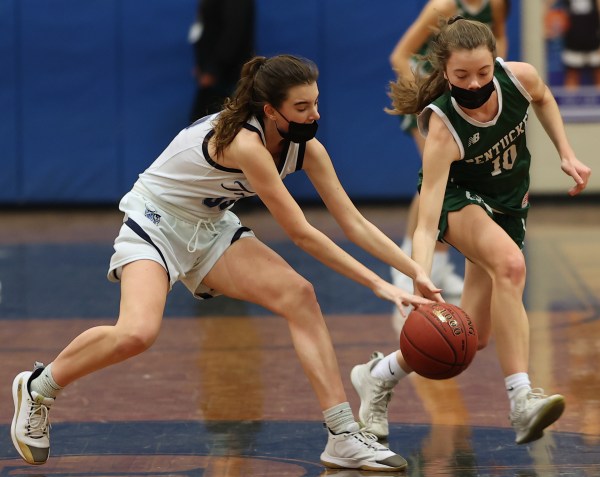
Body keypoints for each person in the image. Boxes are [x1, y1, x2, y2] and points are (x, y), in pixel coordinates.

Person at [10, 54, 443, 471]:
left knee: (299, 295)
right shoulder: (245, 144)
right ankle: (38, 387)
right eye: (301, 107)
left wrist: (413, 270)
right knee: (137, 332)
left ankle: (342, 434)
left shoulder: (306, 148)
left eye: (315, 102)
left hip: (210, 225)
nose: (314, 115)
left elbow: (354, 222)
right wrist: (378, 285)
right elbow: (302, 233)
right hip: (156, 220)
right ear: (270, 110)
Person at [351, 17, 591, 445]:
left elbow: (543, 97)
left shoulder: (519, 79)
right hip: (459, 202)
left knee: (471, 337)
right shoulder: (444, 127)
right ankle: (521, 400)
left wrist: (566, 152)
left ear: (495, 61)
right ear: (445, 72)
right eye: (462, 76)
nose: (475, 83)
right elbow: (426, 223)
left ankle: (378, 374)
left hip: (507, 204)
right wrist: (419, 277)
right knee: (512, 265)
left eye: (482, 72)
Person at [388, 0, 511, 332]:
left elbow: (500, 38)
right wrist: (426, 98)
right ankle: (410, 265)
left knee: (447, 185)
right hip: (435, 97)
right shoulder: (442, 6)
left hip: (469, 96)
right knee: (436, 183)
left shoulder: (495, 4)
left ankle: (438, 266)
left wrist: (494, 76)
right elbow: (399, 56)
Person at [188, 0, 255, 122]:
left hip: (228, 75)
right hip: (216, 72)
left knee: (215, 122)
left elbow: (233, 34)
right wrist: (202, 64)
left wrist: (212, 69)